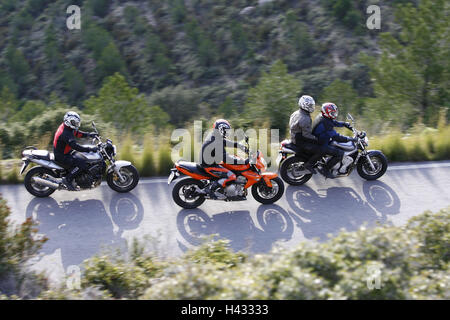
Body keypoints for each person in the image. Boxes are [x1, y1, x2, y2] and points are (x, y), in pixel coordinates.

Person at [200, 119, 248, 199]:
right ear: (220, 129)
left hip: (211, 162)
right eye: (226, 130)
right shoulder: (216, 140)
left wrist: (238, 145)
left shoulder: (215, 136)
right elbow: (226, 158)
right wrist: (243, 161)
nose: (227, 132)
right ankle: (210, 190)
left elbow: (225, 142)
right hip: (209, 165)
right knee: (231, 176)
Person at [53, 111, 98, 190]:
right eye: (74, 123)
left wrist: (89, 134)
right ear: (68, 121)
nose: (76, 125)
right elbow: (76, 146)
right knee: (81, 163)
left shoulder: (67, 128)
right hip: (62, 156)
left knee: (82, 158)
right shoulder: (65, 133)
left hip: (66, 152)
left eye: (76, 123)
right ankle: (68, 179)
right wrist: (90, 149)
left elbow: (77, 133)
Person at [312, 102, 356, 178]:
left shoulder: (323, 118)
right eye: (332, 113)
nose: (334, 115)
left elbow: (334, 123)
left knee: (335, 146)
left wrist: (345, 124)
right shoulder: (326, 122)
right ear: (327, 113)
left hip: (320, 140)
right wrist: (350, 138)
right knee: (340, 153)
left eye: (335, 113)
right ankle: (325, 169)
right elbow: (336, 137)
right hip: (321, 144)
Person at [289, 95, 323, 174]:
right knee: (321, 150)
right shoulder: (305, 118)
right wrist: (316, 138)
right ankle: (309, 164)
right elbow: (306, 135)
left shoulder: (296, 113)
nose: (311, 107)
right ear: (304, 105)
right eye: (310, 105)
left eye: (312, 105)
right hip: (300, 140)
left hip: (294, 136)